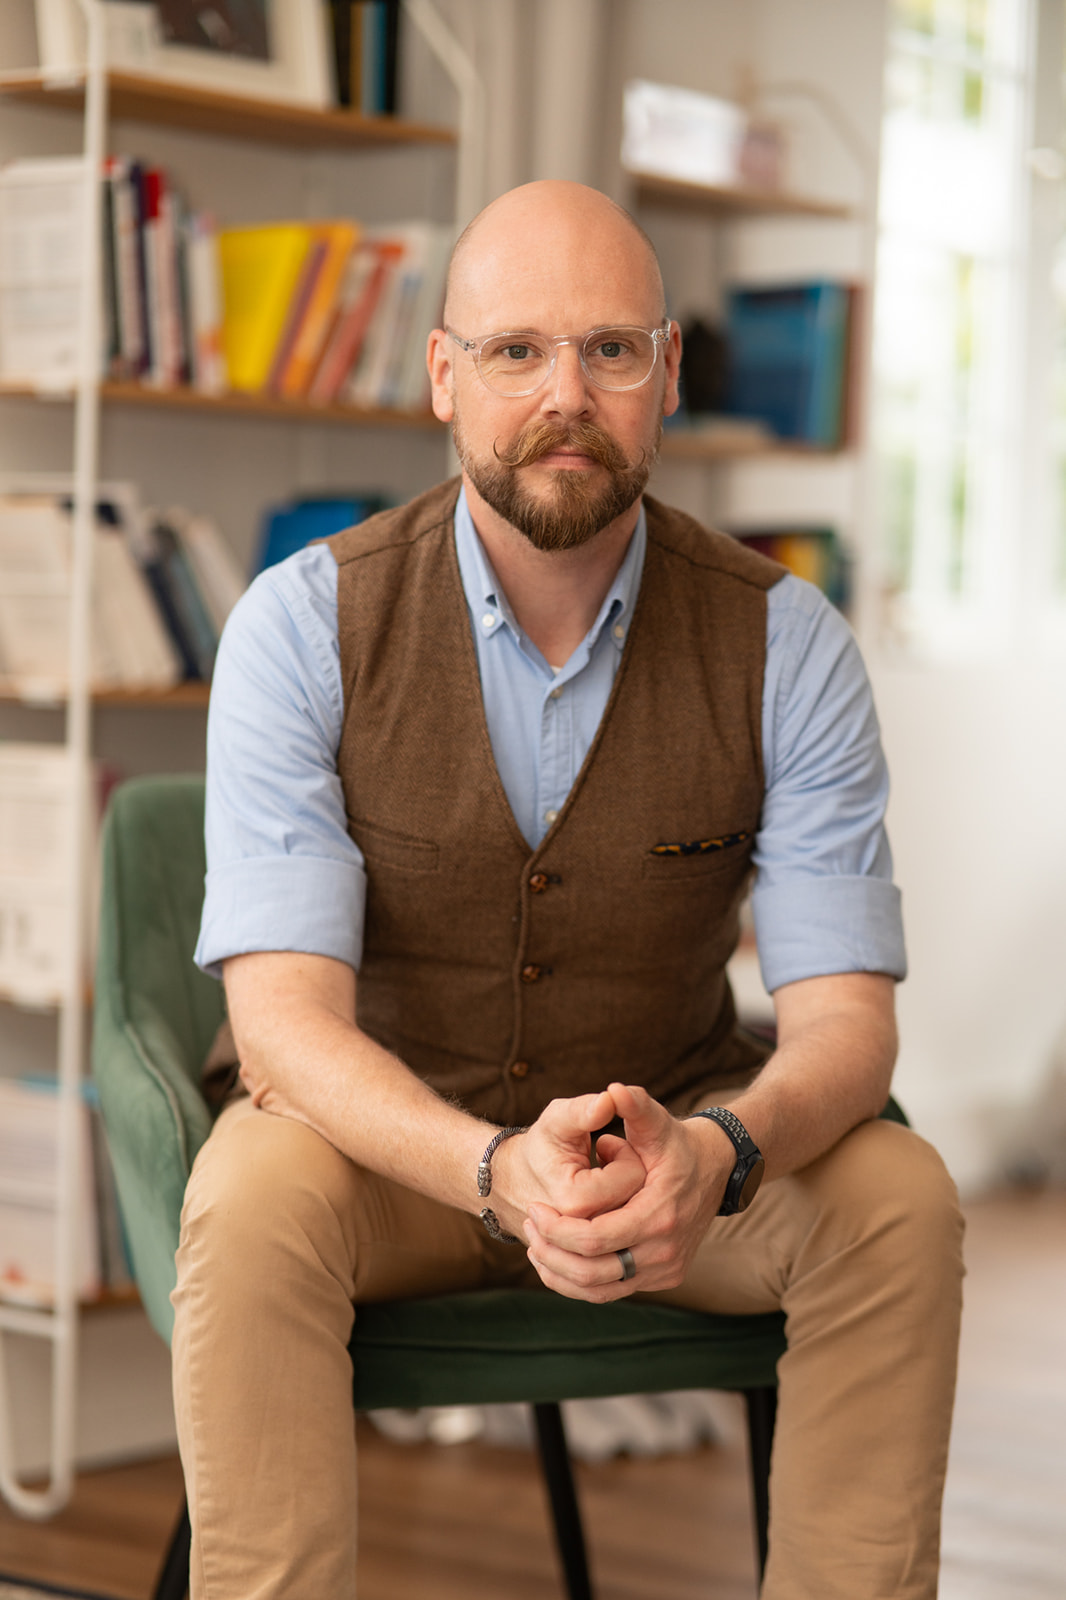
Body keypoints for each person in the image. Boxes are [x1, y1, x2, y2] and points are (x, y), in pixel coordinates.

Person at [174, 180, 964, 1600]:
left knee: (897, 1199)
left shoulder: (789, 645)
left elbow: (848, 1026)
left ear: (668, 371)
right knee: (248, 1196)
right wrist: (488, 1170)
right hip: (385, 1164)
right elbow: (283, 1027)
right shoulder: (301, 625)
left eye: (610, 350)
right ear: (443, 375)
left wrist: (719, 1152)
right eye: (515, 351)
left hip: (673, 1169)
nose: (566, 396)